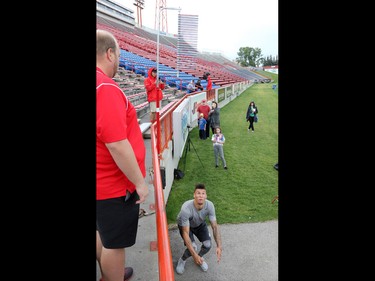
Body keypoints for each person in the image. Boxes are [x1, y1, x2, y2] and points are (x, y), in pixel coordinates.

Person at [96, 29, 149, 281]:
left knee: (102, 233)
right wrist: (140, 182)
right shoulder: (105, 86)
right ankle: (112, 275)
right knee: (114, 245)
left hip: (100, 183)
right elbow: (117, 143)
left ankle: (110, 271)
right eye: (117, 55)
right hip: (112, 186)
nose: (118, 61)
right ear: (109, 54)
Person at [175, 183, 223, 275]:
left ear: (206, 196)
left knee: (208, 245)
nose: (200, 195)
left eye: (203, 193)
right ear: (194, 195)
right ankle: (182, 260)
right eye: (198, 193)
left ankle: (199, 258)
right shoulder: (186, 208)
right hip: (185, 226)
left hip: (200, 224)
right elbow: (185, 232)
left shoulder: (210, 205)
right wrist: (194, 254)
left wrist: (219, 246)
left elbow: (215, 227)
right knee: (192, 247)